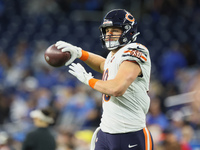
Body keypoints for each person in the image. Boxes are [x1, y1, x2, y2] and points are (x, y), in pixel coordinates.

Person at [55, 9, 153, 150]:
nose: (109, 34)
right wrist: (79, 53)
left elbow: (117, 88)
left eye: (115, 30)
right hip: (105, 132)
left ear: (128, 31)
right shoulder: (114, 55)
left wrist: (89, 80)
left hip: (130, 132)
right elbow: (104, 64)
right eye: (107, 30)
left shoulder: (135, 50)